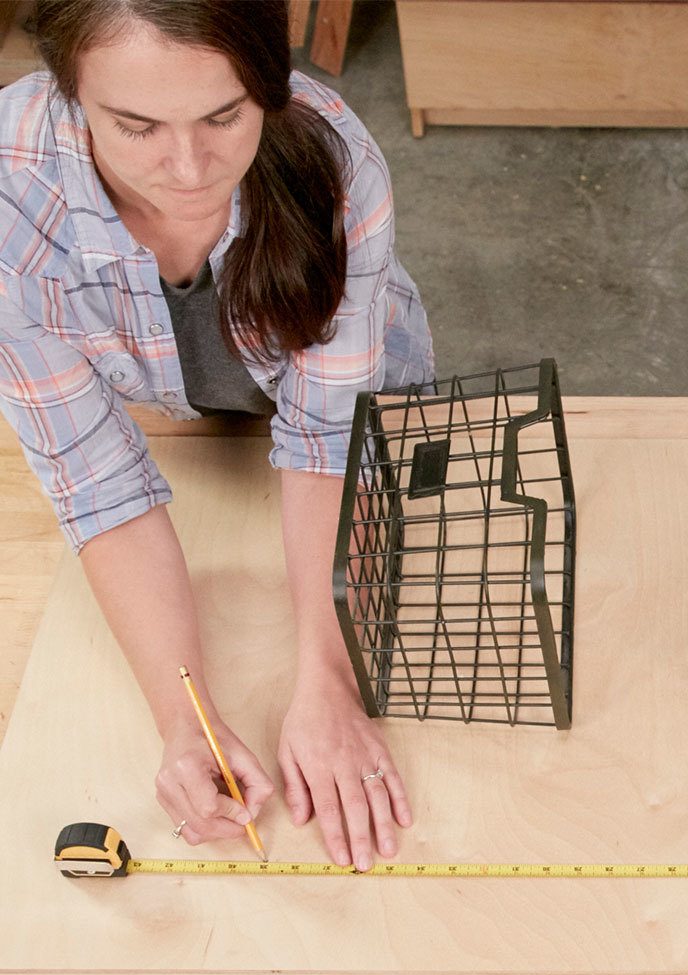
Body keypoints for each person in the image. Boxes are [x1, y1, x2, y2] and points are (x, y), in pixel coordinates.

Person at [0, 0, 434, 870]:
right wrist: (183, 721)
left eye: (225, 115)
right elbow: (98, 479)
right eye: (135, 127)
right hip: (173, 417)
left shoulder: (337, 156)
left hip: (349, 407)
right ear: (69, 91)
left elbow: (325, 437)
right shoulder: (9, 203)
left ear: (268, 86)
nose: (191, 167)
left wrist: (328, 682)